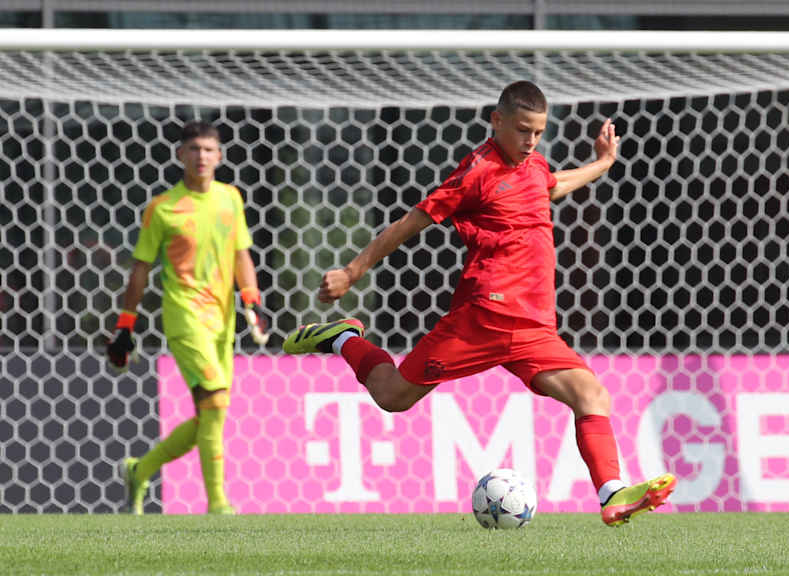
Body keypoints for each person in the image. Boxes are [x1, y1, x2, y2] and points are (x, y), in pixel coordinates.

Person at [283, 81, 676, 526]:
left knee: (591, 395)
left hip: (534, 326)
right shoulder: (476, 173)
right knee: (392, 396)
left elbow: (551, 186)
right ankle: (344, 338)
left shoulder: (534, 164)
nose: (531, 141)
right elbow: (410, 222)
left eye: (539, 132)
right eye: (523, 130)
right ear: (497, 121)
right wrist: (353, 272)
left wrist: (603, 163)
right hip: (485, 316)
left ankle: (612, 493)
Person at [107, 120, 269, 515]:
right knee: (214, 400)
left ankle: (140, 470)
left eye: (209, 149)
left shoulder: (231, 199)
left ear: (220, 156)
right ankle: (218, 504)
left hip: (223, 318)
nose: (201, 156)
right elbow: (141, 268)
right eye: (194, 149)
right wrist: (125, 324)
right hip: (184, 317)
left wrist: (252, 300)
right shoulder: (162, 208)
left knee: (212, 411)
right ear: (180, 154)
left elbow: (241, 254)